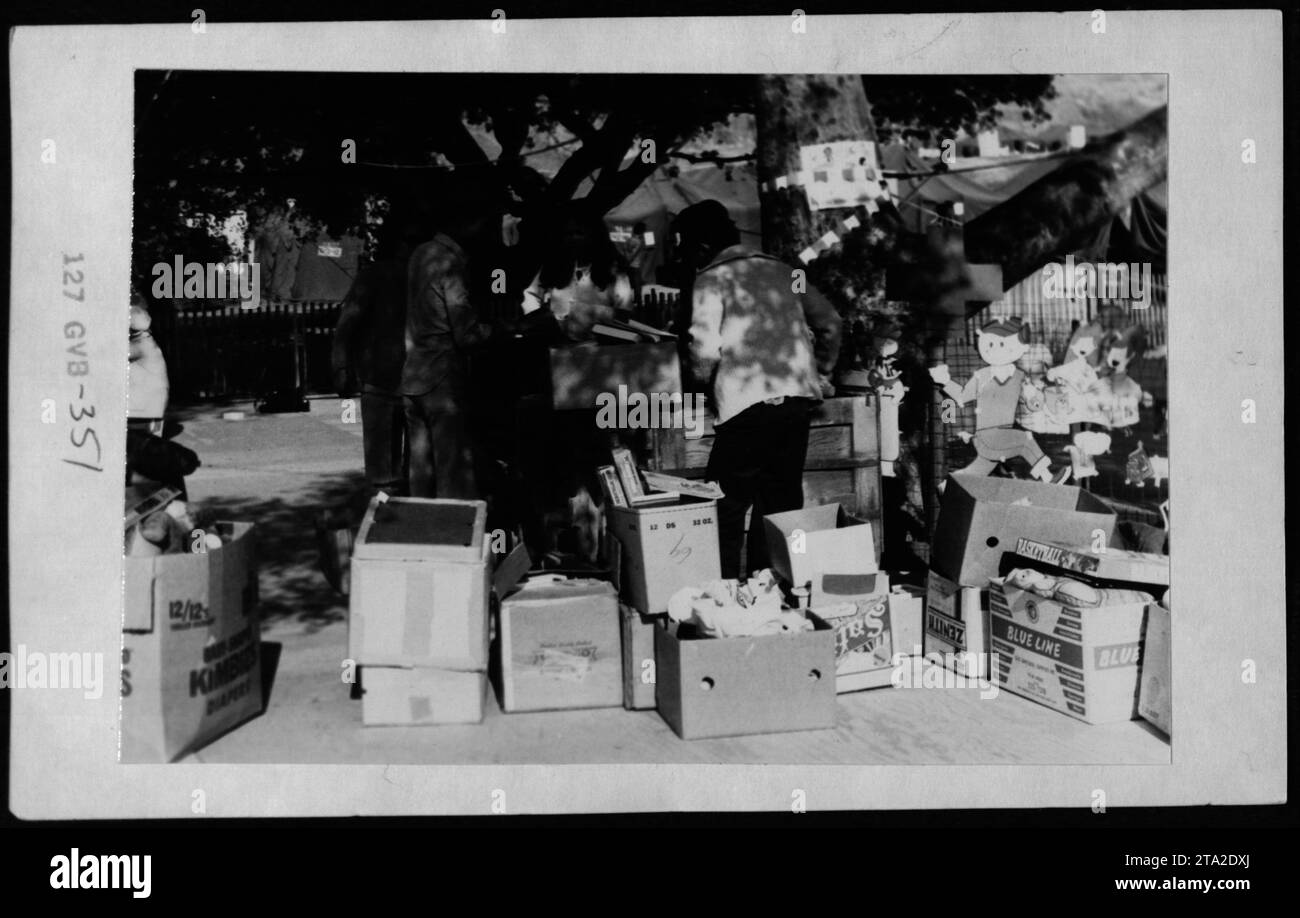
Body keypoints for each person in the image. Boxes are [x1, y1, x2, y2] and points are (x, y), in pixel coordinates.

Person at [676, 199, 843, 579]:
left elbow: (703, 348)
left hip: (744, 404)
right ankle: (772, 587)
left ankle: (722, 590)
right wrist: (823, 374)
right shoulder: (786, 272)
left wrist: (701, 383)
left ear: (701, 246)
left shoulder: (711, 278)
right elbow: (831, 321)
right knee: (781, 502)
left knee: (726, 504)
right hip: (794, 403)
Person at [400, 193, 503, 500]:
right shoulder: (448, 263)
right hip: (441, 375)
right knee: (451, 471)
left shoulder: (420, 254)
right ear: (466, 225)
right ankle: (454, 539)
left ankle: (421, 534)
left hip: (413, 372)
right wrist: (499, 331)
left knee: (419, 471)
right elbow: (465, 333)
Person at [331, 204, 420, 496]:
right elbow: (347, 325)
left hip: (415, 382)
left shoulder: (423, 276)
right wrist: (341, 367)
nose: (412, 247)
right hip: (380, 380)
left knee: (413, 471)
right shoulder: (375, 276)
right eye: (408, 240)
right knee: (382, 471)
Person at [521, 203, 635, 341]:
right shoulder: (552, 265)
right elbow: (530, 296)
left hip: (598, 346)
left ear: (594, 235)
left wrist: (597, 319)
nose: (573, 239)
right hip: (557, 343)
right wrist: (543, 321)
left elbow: (623, 312)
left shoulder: (613, 270)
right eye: (569, 234)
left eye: (579, 233)